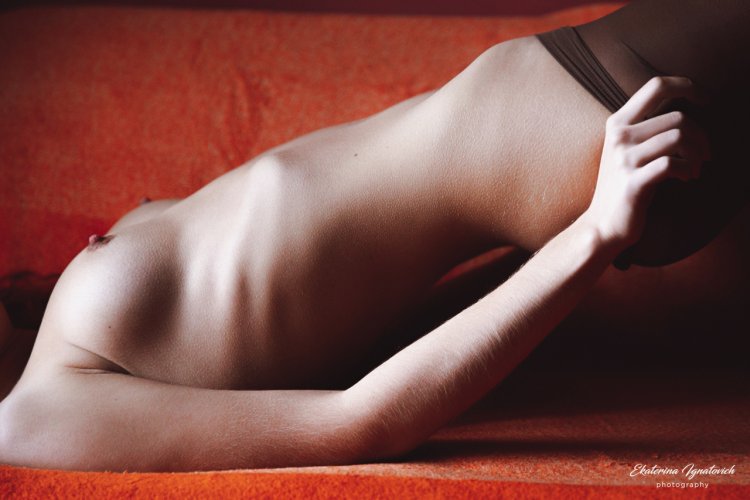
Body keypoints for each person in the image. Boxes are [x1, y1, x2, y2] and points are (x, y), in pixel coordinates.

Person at [0, 0, 746, 472]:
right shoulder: (30, 422)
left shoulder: (48, 336)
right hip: (590, 122)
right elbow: (359, 423)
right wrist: (594, 232)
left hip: (568, 112)